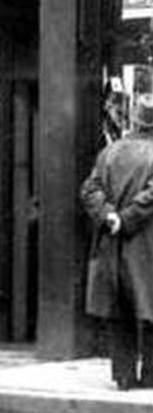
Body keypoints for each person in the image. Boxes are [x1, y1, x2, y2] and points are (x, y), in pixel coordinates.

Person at [80, 92, 153, 391]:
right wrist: (128, 217)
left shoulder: (109, 153)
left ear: (135, 119)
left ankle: (123, 376)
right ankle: (150, 374)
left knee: (118, 311)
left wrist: (110, 216)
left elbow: (90, 189)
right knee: (150, 310)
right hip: (147, 246)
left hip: (111, 245)